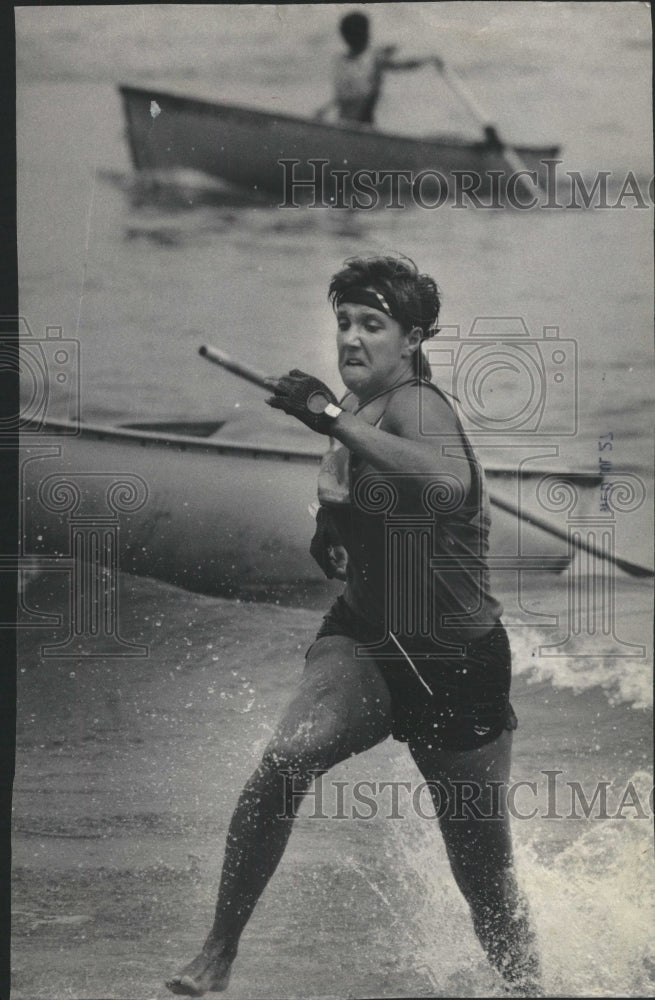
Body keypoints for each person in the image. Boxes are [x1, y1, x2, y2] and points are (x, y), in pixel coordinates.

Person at [165, 255, 541, 997]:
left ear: (411, 339)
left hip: (453, 659)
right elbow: (354, 493)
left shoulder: (417, 406)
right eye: (343, 322)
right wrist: (331, 528)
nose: (351, 338)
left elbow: (446, 482)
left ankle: (530, 989)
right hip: (366, 636)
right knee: (283, 762)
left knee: (483, 874)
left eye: (372, 324)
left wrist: (327, 417)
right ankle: (217, 951)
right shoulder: (353, 406)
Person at [314, 11, 442, 125]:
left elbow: (403, 65)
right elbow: (346, 95)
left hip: (363, 123)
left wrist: (428, 60)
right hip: (345, 123)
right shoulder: (341, 61)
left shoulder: (375, 59)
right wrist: (325, 109)